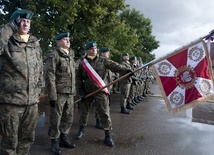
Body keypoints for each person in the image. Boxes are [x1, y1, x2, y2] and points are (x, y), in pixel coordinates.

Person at [0, 9, 43, 155]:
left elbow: (40, 69)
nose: (25, 23)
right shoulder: (7, 40)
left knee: (27, 140)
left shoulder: (35, 42)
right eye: (22, 20)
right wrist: (10, 27)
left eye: (28, 21)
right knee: (9, 143)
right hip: (11, 102)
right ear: (15, 22)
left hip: (31, 103)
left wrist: (37, 93)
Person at [75, 41, 132, 147]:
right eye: (91, 49)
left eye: (95, 48)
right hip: (87, 92)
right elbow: (78, 79)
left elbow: (116, 66)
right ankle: (81, 130)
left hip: (100, 91)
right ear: (87, 50)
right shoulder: (83, 63)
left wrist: (126, 70)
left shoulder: (103, 61)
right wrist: (80, 93)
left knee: (104, 113)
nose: (94, 50)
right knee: (83, 112)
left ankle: (107, 135)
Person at [44, 32, 76, 155]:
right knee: (56, 118)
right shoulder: (54, 55)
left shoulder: (71, 55)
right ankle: (54, 142)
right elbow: (49, 76)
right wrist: (52, 96)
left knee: (68, 117)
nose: (68, 41)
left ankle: (63, 138)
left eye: (68, 39)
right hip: (59, 93)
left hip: (70, 93)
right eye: (64, 39)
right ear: (58, 42)